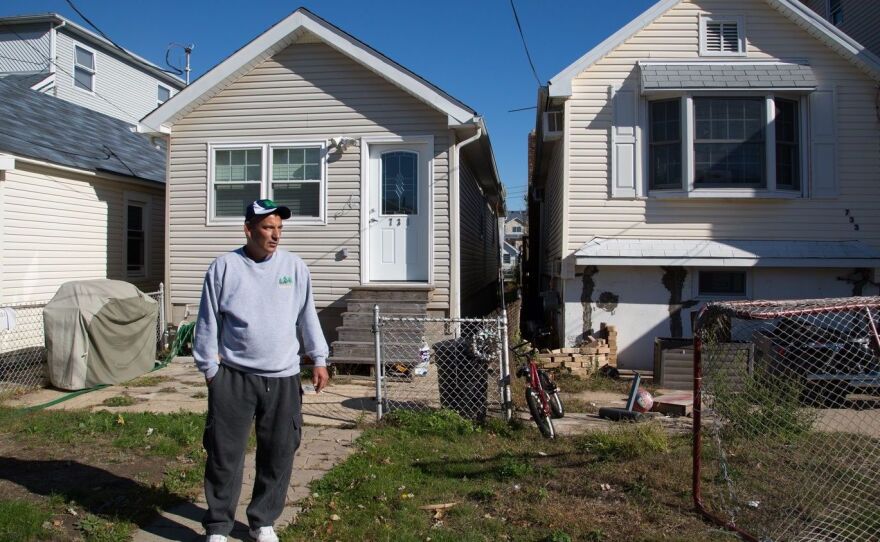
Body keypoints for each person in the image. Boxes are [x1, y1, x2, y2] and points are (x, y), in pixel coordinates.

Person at [193, 199, 330, 542]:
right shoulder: (224, 267)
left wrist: (319, 358)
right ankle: (219, 526)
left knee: (279, 452)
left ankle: (262, 521)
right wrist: (210, 370)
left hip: (283, 378)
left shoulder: (295, 267)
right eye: (268, 228)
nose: (275, 235)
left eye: (280, 228)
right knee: (224, 455)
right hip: (234, 377)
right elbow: (208, 322)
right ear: (249, 229)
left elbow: (307, 315)